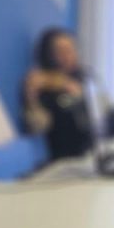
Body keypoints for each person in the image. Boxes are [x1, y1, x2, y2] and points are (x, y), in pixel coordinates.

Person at [23, 27, 93, 160]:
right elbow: (38, 126)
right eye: (62, 52)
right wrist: (31, 96)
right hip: (63, 159)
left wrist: (64, 84)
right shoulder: (42, 86)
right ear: (49, 56)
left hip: (90, 153)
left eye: (72, 49)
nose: (69, 56)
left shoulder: (82, 77)